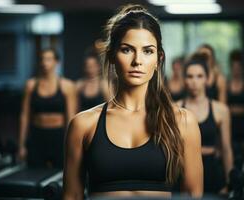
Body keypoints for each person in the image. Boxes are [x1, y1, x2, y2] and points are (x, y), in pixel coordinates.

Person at [63, 4, 203, 199]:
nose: (137, 60)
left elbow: (193, 195)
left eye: (147, 51)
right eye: (127, 50)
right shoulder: (84, 124)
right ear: (112, 55)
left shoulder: (182, 122)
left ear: (158, 59)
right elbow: (72, 196)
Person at [177, 53, 233, 194]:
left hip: (212, 171)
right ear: (184, 80)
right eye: (190, 76)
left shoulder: (221, 110)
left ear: (207, 79)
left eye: (199, 76)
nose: (194, 81)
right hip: (184, 173)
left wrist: (230, 182)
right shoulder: (175, 109)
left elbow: (226, 149)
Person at [18, 48, 77, 168]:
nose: (44, 63)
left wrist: (72, 147)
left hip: (58, 137)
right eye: (42, 59)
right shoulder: (31, 85)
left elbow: (71, 119)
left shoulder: (67, 86)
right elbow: (24, 116)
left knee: (60, 176)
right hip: (37, 136)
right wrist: (21, 145)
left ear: (57, 62)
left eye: (49, 59)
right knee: (34, 174)